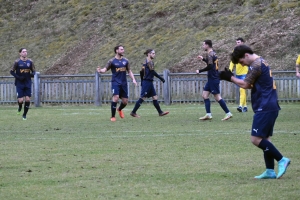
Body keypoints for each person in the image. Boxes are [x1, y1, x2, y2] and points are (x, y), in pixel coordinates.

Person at [219, 45, 290, 179]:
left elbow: (246, 85)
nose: (242, 64)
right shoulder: (261, 61)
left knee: (255, 139)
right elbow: (251, 84)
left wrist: (230, 78)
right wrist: (232, 77)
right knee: (265, 140)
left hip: (265, 105)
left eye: (241, 62)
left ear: (246, 55)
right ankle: (270, 171)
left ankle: (282, 160)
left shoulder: (255, 65)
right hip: (270, 105)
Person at [97, 45, 137, 122]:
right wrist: (100, 70)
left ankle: (119, 109)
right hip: (115, 82)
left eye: (123, 49)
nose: (123, 51)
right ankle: (113, 116)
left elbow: (129, 71)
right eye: (121, 49)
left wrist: (133, 79)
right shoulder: (111, 61)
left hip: (124, 83)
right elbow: (105, 69)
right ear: (117, 51)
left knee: (125, 101)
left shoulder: (126, 61)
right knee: (116, 97)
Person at [196, 40, 232, 121]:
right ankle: (208, 114)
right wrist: (203, 59)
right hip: (211, 78)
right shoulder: (213, 53)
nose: (203, 46)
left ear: (207, 45)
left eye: (203, 44)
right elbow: (211, 64)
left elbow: (210, 66)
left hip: (213, 78)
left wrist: (200, 70)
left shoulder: (210, 54)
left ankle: (228, 113)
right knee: (204, 95)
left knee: (217, 97)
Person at [130, 49, 169, 118]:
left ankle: (160, 112)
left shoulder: (145, 62)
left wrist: (142, 81)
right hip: (147, 82)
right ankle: (133, 112)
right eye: (153, 53)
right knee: (143, 97)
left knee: (154, 97)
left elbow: (141, 72)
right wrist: (161, 78)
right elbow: (152, 72)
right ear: (149, 54)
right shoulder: (149, 62)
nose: (154, 55)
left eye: (154, 53)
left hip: (148, 82)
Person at [10, 48, 36, 120]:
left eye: (26, 52)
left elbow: (34, 71)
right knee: (21, 100)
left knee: (27, 99)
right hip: (19, 83)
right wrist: (18, 77)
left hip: (27, 83)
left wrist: (32, 74)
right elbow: (11, 71)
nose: (25, 53)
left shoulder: (30, 61)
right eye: (23, 52)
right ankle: (20, 107)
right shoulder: (17, 62)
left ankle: (24, 115)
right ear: (20, 53)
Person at [229, 37, 248, 112]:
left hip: (245, 72)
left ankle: (240, 106)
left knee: (242, 89)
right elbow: (232, 61)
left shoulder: (246, 51)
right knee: (242, 90)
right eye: (236, 42)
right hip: (238, 73)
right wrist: (230, 70)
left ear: (242, 42)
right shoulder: (234, 51)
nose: (237, 44)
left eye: (239, 42)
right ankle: (245, 106)